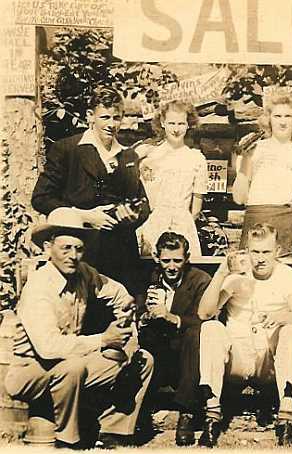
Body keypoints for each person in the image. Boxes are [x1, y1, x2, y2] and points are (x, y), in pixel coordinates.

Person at [4, 208, 154, 449]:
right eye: (65, 248)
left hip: (70, 363)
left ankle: (111, 432)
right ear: (47, 248)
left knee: (142, 359)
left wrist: (126, 314)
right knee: (72, 366)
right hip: (30, 371)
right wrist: (104, 340)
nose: (72, 256)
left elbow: (115, 292)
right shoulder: (39, 288)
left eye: (78, 249)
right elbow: (49, 348)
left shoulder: (82, 273)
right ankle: (68, 439)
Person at [196, 223, 292, 447]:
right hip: (237, 360)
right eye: (255, 252)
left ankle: (285, 418)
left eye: (266, 252)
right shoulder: (237, 276)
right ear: (247, 251)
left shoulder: (287, 275)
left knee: (290, 330)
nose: (260, 258)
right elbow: (204, 313)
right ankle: (212, 416)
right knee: (211, 328)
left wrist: (282, 315)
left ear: (276, 251)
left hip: (267, 362)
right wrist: (222, 272)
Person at [31, 86, 150, 295]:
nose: (111, 124)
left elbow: (142, 203)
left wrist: (133, 215)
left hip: (121, 253)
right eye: (105, 117)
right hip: (81, 251)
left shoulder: (128, 156)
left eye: (116, 118)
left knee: (121, 309)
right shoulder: (67, 149)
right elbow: (41, 198)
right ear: (90, 116)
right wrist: (84, 216)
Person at [136, 231, 211, 446]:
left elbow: (204, 318)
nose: (171, 266)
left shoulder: (199, 280)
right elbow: (135, 310)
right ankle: (139, 411)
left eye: (177, 260)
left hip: (186, 355)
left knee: (195, 334)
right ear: (157, 258)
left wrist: (172, 317)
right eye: (166, 260)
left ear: (186, 258)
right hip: (158, 351)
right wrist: (143, 316)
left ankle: (187, 413)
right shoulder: (148, 277)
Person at [232, 88, 292, 256]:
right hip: (255, 221)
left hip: (285, 224)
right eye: (277, 116)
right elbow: (239, 198)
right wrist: (246, 159)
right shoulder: (253, 149)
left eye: (288, 116)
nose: (282, 122)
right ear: (268, 119)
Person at [136, 101, 208, 258]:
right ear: (163, 123)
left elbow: (196, 206)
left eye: (181, 123)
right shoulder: (150, 156)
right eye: (171, 123)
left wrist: (185, 223)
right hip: (154, 222)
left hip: (183, 224)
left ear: (188, 124)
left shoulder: (196, 159)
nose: (176, 129)